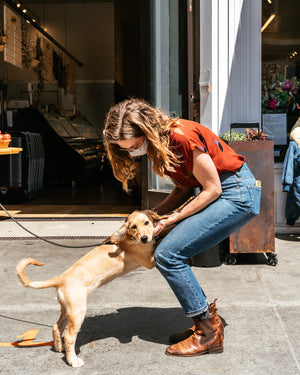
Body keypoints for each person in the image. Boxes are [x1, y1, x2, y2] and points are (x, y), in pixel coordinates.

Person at [103, 98, 261, 357]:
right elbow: (184, 187)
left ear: (147, 131)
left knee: (167, 254)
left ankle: (207, 334)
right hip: (226, 192)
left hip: (237, 193)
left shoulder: (181, 137)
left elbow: (212, 189)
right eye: (126, 149)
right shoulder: (162, 143)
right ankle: (209, 322)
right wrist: (152, 215)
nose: (131, 152)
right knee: (169, 252)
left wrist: (172, 219)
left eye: (133, 145)